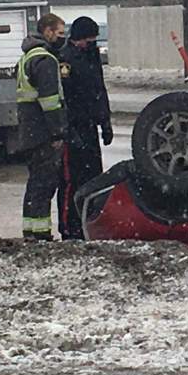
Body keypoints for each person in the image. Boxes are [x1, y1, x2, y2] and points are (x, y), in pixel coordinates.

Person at [57, 16, 114, 239]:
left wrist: (105, 122)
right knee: (72, 181)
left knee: (93, 178)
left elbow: (99, 91)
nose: (92, 44)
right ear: (79, 38)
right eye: (88, 40)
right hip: (74, 128)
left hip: (90, 127)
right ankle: (69, 228)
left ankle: (87, 224)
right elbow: (65, 99)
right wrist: (69, 131)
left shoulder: (91, 58)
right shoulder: (66, 59)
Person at [16, 13, 67, 240]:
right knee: (44, 185)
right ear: (47, 31)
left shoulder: (28, 57)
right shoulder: (45, 60)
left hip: (29, 129)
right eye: (60, 33)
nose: (62, 38)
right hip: (42, 132)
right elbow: (49, 101)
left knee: (35, 183)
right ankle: (41, 234)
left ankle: (31, 230)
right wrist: (57, 132)